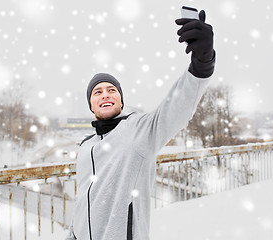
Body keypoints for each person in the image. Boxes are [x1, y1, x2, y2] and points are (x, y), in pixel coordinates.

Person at [67, 9, 215, 240]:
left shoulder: (138, 130)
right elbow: (83, 201)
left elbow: (177, 108)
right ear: (91, 105)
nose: (105, 94)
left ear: (121, 100)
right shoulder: (85, 147)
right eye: (97, 92)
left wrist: (202, 61)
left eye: (111, 90)